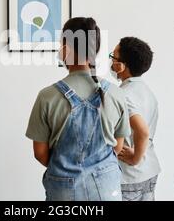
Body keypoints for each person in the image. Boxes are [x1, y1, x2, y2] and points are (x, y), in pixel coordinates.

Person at [26, 17, 130, 201]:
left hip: (63, 191)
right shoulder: (116, 94)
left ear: (66, 48)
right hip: (107, 189)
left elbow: (40, 154)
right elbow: (118, 146)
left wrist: (66, 169)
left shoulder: (46, 97)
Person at [110, 37, 161, 201]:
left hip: (130, 176)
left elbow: (143, 131)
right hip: (149, 170)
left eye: (113, 57)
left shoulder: (123, 95)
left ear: (122, 65)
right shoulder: (146, 90)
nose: (111, 62)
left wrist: (135, 158)